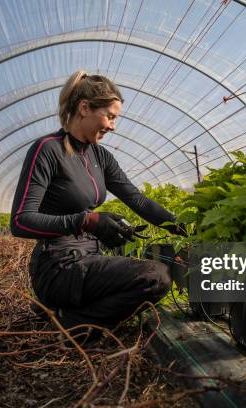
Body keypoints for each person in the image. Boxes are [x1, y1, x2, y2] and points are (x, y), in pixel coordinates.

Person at [10, 70, 185, 333]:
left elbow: (137, 199)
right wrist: (88, 220)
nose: (113, 126)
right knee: (156, 277)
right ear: (84, 108)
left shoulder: (100, 157)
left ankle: (65, 314)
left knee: (146, 274)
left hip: (89, 258)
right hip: (58, 265)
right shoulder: (48, 150)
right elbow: (20, 221)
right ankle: (73, 325)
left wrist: (181, 226)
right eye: (110, 116)